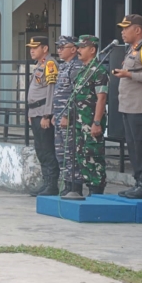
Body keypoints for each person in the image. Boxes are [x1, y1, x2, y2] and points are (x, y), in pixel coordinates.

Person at [114, 14, 142, 199]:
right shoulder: (131, 50)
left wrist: (129, 75)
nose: (123, 32)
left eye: (126, 28)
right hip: (129, 107)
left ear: (138, 30)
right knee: (133, 146)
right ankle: (138, 182)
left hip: (141, 107)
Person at [59, 35, 108, 199]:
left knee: (93, 155)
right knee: (81, 156)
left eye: (82, 47)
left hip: (91, 121)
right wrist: (67, 116)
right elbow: (75, 97)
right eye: (78, 47)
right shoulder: (82, 71)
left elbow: (101, 98)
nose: (78, 50)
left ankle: (97, 190)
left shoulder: (99, 70)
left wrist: (96, 122)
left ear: (92, 49)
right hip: (79, 121)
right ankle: (88, 189)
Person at [26, 36, 60, 196]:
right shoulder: (40, 65)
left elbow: (51, 92)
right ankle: (47, 182)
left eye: (35, 47)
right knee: (40, 149)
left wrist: (47, 115)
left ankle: (52, 184)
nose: (32, 50)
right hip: (35, 112)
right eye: (31, 47)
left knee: (47, 149)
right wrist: (30, 113)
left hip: (43, 114)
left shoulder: (50, 64)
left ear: (45, 48)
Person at [51, 36, 82, 196]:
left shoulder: (76, 67)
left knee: (71, 152)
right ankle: (67, 184)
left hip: (69, 117)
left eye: (62, 47)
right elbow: (58, 93)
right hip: (59, 114)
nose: (59, 50)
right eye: (58, 47)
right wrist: (54, 113)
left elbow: (75, 95)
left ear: (73, 49)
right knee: (61, 152)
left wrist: (67, 115)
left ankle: (74, 186)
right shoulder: (64, 66)